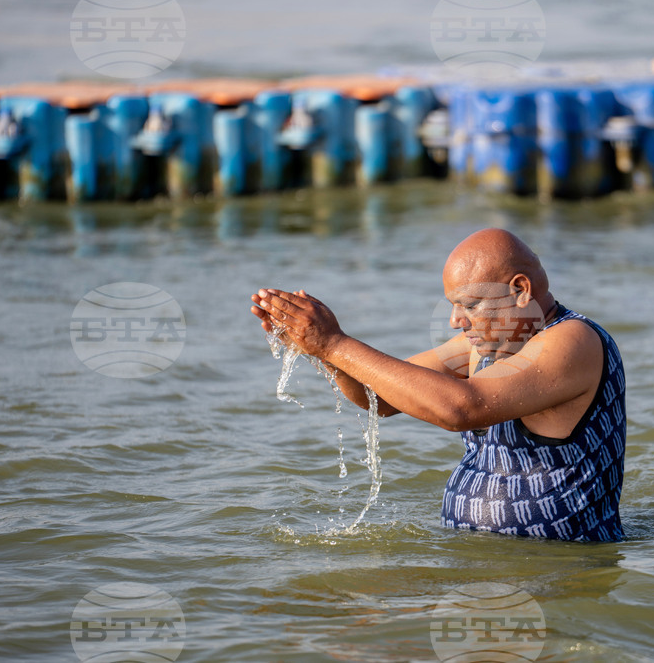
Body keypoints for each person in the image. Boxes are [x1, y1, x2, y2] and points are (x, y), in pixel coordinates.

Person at [251, 228, 625, 541]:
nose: (455, 321)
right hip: (480, 566)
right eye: (453, 306)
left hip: (556, 573)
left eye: (469, 305)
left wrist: (334, 343)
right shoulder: (483, 344)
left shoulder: (573, 341)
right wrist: (319, 349)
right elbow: (379, 397)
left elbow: (463, 408)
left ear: (520, 290)